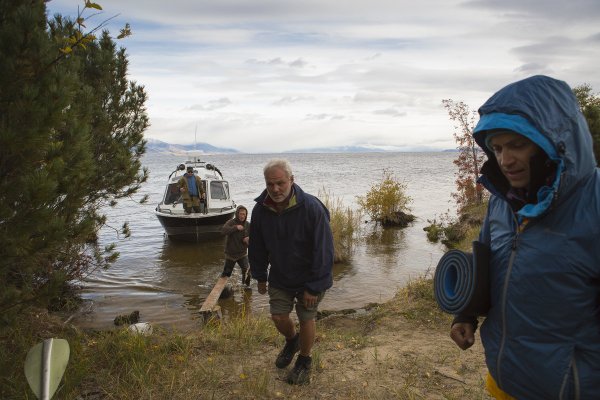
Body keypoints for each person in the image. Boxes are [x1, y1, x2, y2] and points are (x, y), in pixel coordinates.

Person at [450, 75, 600, 399]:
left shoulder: (594, 205)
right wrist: (466, 314)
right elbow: (486, 262)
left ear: (555, 141)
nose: (505, 160)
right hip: (504, 380)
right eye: (498, 148)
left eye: (518, 144)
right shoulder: (502, 203)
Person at [248, 159, 334, 385]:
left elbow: (324, 249)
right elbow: (256, 245)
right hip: (280, 276)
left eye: (280, 183)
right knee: (278, 316)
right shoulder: (260, 210)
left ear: (291, 180)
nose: (275, 189)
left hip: (309, 278)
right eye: (270, 184)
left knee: (306, 318)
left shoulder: (312, 208)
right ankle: (292, 340)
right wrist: (260, 276)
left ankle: (305, 360)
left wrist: (314, 286)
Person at [220, 205, 251, 286]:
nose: (242, 216)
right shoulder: (231, 222)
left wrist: (248, 239)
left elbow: (254, 237)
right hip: (231, 255)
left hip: (242, 254)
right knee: (226, 274)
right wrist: (236, 227)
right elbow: (223, 231)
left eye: (244, 214)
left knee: (247, 271)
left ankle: (245, 286)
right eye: (241, 214)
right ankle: (223, 288)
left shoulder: (248, 225)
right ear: (237, 214)